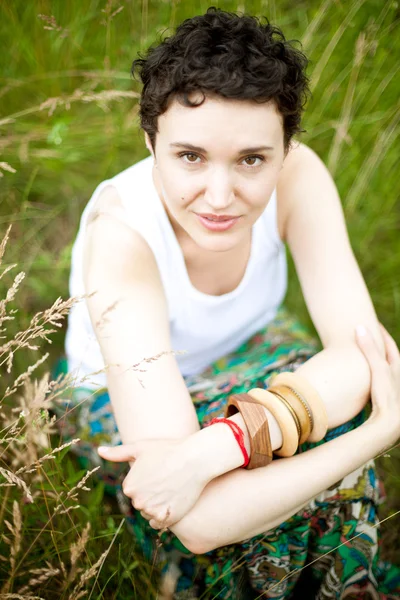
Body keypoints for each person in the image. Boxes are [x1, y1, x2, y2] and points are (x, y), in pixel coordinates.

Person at [54, 7, 400, 599]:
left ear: (286, 150)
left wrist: (220, 448)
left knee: (280, 472)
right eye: (190, 156)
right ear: (150, 142)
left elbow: (364, 359)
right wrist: (379, 431)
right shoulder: (123, 237)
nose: (220, 197)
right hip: (124, 399)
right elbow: (198, 523)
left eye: (251, 160)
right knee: (309, 471)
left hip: (253, 344)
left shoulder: (302, 178)